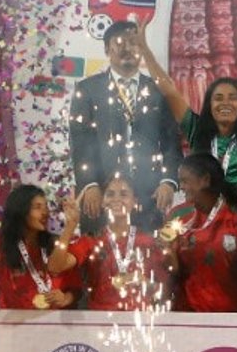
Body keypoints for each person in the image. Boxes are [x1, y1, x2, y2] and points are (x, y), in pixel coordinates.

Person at [68, 20, 182, 223]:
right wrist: (90, 184)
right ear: (106, 49)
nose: (127, 48)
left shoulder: (157, 90)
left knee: (148, 252)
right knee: (102, 253)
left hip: (149, 194)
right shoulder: (88, 89)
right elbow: (80, 141)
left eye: (133, 42)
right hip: (103, 194)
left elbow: (171, 140)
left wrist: (168, 180)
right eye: (119, 43)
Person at [139, 46, 237, 213]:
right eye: (218, 99)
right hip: (203, 217)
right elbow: (168, 90)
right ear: (209, 105)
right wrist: (144, 48)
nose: (225, 103)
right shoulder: (197, 129)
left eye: (232, 98)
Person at [67, 174, 172, 311]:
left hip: (140, 321)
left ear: (135, 202)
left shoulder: (149, 241)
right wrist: (70, 225)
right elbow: (55, 267)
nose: (116, 199)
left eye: (123, 194)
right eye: (110, 194)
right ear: (103, 201)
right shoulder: (91, 240)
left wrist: (145, 283)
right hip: (100, 320)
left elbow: (165, 292)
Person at [165, 153, 237, 312]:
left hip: (229, 317)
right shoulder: (177, 215)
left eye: (185, 180)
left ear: (205, 180)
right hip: (187, 314)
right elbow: (173, 272)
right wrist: (168, 252)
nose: (181, 187)